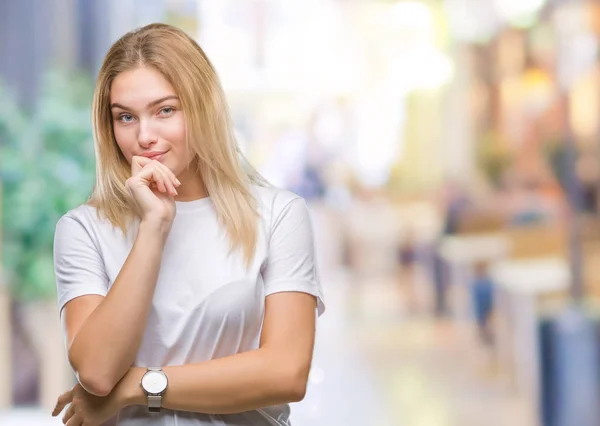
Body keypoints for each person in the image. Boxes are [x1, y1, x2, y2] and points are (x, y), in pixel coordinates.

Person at [51, 23, 325, 426]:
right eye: (125, 117)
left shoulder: (278, 215)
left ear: (202, 108)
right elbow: (96, 370)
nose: (145, 136)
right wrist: (154, 226)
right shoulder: (84, 228)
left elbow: (287, 372)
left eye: (165, 110)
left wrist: (138, 386)